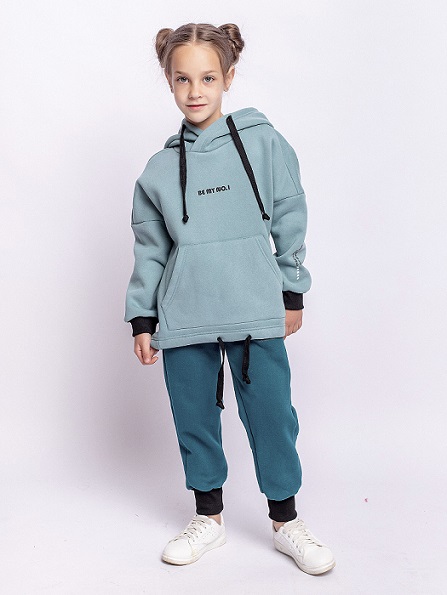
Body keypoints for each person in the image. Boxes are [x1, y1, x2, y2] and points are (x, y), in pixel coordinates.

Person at [124, 22, 335, 575]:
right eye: (182, 79)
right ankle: (208, 519)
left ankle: (286, 522)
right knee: (194, 419)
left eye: (208, 78)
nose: (195, 91)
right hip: (185, 314)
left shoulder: (264, 144)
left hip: (254, 308)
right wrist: (142, 317)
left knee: (272, 417)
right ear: (169, 82)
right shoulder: (159, 169)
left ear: (229, 78)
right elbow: (151, 249)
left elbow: (290, 214)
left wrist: (292, 289)